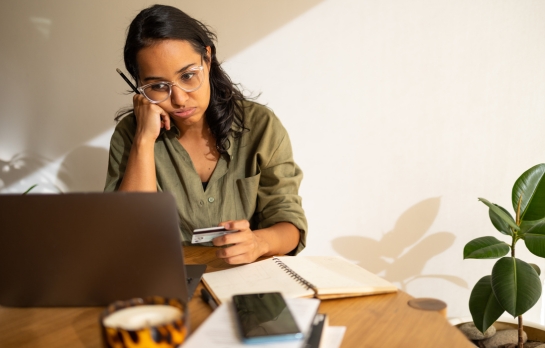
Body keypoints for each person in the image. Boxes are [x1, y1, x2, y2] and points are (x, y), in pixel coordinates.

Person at [104, 4, 307, 264]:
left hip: (246, 280)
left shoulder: (260, 126)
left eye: (188, 76)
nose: (178, 99)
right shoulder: (130, 135)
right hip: (165, 280)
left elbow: (290, 223)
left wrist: (258, 243)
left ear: (207, 59)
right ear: (139, 86)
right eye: (157, 86)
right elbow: (127, 237)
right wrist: (144, 140)